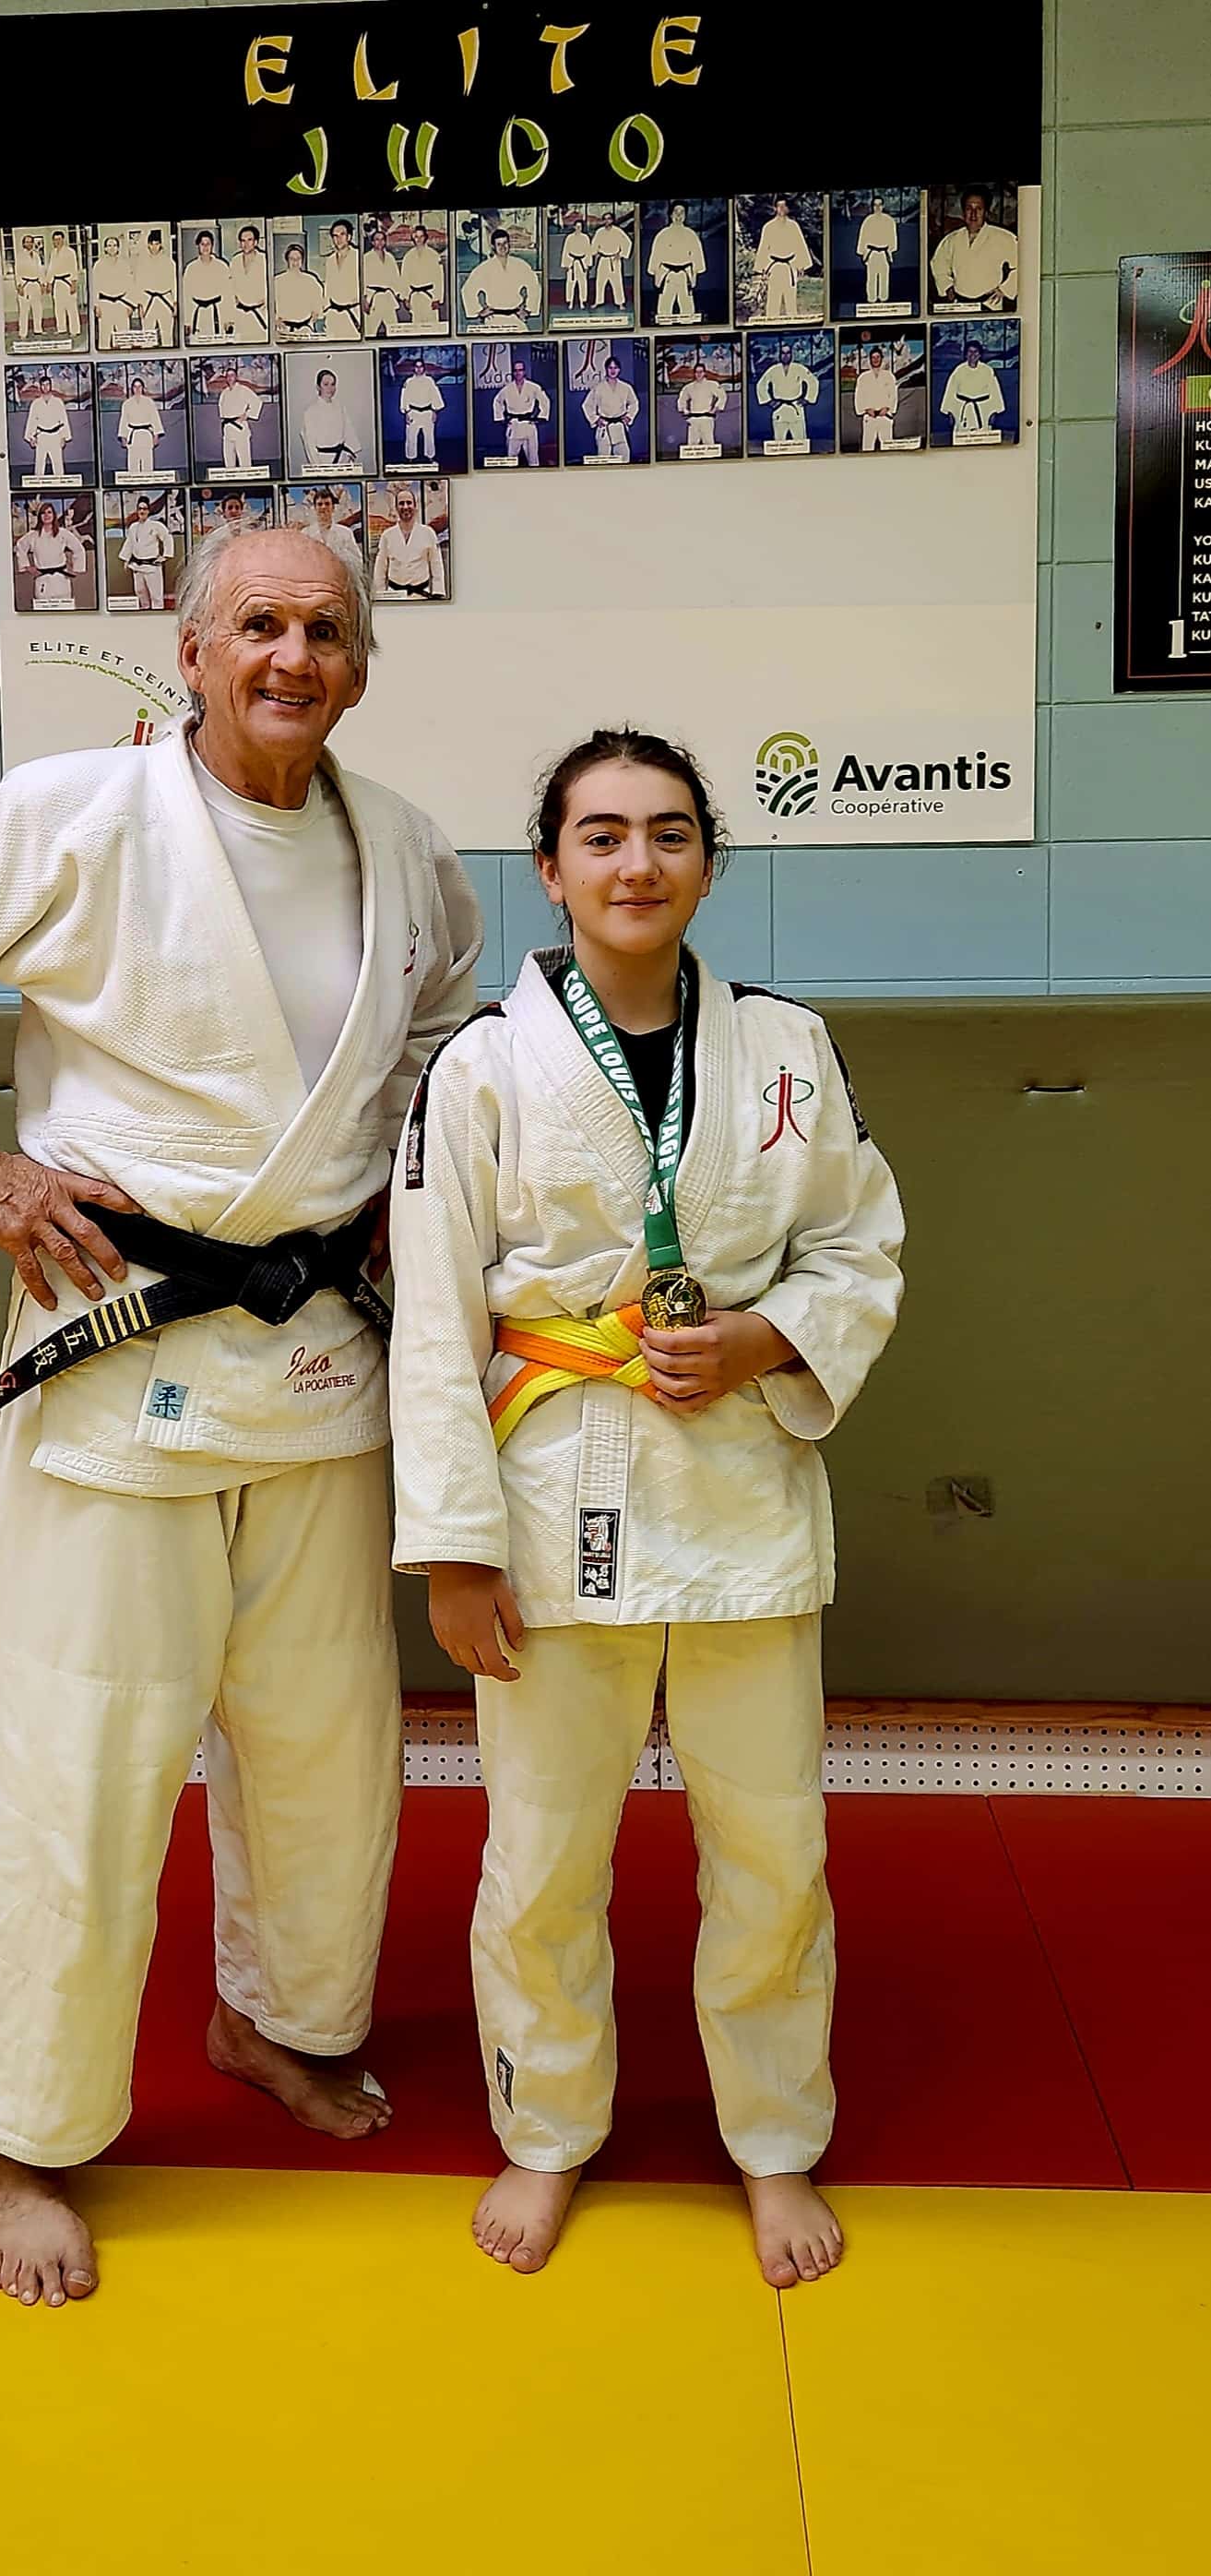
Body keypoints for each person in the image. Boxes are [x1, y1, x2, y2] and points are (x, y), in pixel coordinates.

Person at [0, 523, 481, 2309]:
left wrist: (411, 1187)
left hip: (319, 1365)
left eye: (324, 628)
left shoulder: (406, 848)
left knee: (327, 1749)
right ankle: (25, 2135)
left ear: (358, 663)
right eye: (256, 624)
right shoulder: (76, 816)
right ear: (190, 651)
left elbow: (441, 1037)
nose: (291, 656)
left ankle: (281, 2021)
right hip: (121, 1358)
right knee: (83, 1763)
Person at [387, 727, 904, 2282]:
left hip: (738, 1474)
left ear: (707, 863)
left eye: (668, 833)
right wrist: (453, 1550)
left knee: (773, 1845)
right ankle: (546, 2130)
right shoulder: (482, 1064)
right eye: (600, 836)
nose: (636, 862)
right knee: (542, 1851)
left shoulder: (788, 1049)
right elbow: (431, 1316)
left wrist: (763, 1337)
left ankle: (774, 2141)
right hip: (555, 1486)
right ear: (549, 871)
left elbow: (858, 1247)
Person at [931, 189, 1017, 310]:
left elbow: (1023, 265)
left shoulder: (1003, 237)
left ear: (986, 212)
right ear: (963, 212)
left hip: (990, 304)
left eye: (979, 209)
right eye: (969, 208)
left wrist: (1005, 290)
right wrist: (947, 286)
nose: (973, 214)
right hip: (959, 304)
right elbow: (938, 264)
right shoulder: (952, 239)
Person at [373, 482, 445, 599]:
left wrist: (438, 592)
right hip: (394, 594)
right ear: (396, 508)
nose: (405, 507)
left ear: (415, 506)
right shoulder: (387, 535)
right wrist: (380, 594)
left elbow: (436, 566)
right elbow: (380, 569)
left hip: (421, 594)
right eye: (401, 503)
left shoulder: (428, 533)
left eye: (409, 503)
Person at [754, 196, 815, 322]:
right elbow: (764, 247)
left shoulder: (793, 226)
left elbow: (799, 245)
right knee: (773, 301)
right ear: (775, 208)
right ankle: (771, 324)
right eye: (779, 206)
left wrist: (801, 265)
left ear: (787, 208)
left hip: (790, 266)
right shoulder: (768, 227)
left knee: (791, 301)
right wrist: (762, 268)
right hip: (774, 266)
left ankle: (792, 323)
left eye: (784, 206)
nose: (781, 208)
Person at [15, 501, 88, 608]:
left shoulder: (63, 533)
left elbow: (78, 549)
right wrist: (27, 567)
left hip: (61, 579)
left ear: (54, 515)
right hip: (43, 579)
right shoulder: (33, 535)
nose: (46, 515)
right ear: (40, 517)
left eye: (49, 512)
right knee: (43, 612)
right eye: (43, 513)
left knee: (65, 611)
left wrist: (76, 568)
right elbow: (20, 546)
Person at [465, 230, 542, 329]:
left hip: (516, 317)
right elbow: (468, 290)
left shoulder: (520, 265)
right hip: (493, 318)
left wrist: (528, 310)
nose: (503, 247)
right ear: (493, 246)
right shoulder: (484, 268)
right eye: (499, 244)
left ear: (509, 244)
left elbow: (534, 286)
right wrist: (479, 311)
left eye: (505, 243)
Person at [648, 203, 706, 324]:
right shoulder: (662, 234)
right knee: (664, 305)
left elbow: (697, 255)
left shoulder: (691, 234)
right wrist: (655, 272)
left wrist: (696, 271)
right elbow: (656, 255)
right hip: (667, 273)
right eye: (676, 212)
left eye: (682, 213)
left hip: (685, 273)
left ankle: (687, 328)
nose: (679, 216)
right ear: (670, 215)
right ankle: (664, 329)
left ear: (685, 216)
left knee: (687, 306)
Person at [492, 356, 552, 467]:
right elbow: (497, 401)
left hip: (528, 424)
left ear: (524, 372)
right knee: (511, 457)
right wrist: (500, 418)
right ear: (513, 373)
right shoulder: (507, 389)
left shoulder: (533, 387)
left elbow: (545, 400)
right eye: (515, 370)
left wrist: (541, 416)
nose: (518, 373)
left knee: (533, 458)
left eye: (520, 370)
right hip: (514, 425)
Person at [301, 367, 363, 473]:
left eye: (333, 384)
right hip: (322, 460)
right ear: (318, 387)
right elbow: (309, 443)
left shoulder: (340, 408)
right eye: (326, 384)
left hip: (343, 459)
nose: (330, 388)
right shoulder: (310, 411)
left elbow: (349, 432)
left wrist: (348, 455)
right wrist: (319, 468)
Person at [755, 340, 819, 445]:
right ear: (779, 355)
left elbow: (813, 381)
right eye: (783, 353)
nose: (785, 356)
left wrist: (807, 399)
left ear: (791, 355)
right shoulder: (773, 370)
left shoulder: (799, 368)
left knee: (800, 440)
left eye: (788, 353)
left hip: (796, 407)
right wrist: (769, 401)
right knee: (779, 441)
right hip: (780, 409)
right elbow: (761, 384)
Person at [117, 495, 174, 610]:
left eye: (144, 509)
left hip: (152, 566)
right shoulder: (133, 527)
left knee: (156, 595)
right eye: (140, 509)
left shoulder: (156, 526)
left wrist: (166, 556)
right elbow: (130, 543)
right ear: (137, 510)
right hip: (137, 566)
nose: (142, 511)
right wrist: (126, 559)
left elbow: (167, 537)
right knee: (140, 592)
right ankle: (144, 611)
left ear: (148, 511)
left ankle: (158, 614)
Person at [940, 340, 1006, 436]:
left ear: (980, 354)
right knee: (962, 435)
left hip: (983, 409)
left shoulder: (987, 370)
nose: (973, 355)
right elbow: (950, 391)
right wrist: (950, 412)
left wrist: (994, 412)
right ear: (966, 354)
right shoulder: (959, 370)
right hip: (962, 409)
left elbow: (995, 391)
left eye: (976, 352)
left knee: (983, 435)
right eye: (970, 352)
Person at [581, 353, 640, 462]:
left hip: (619, 426)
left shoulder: (626, 387)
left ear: (619, 370)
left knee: (624, 457)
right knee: (604, 458)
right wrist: (596, 419)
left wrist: (629, 416)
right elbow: (587, 405)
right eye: (610, 368)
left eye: (615, 368)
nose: (613, 371)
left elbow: (634, 403)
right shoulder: (598, 388)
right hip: (604, 426)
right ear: (606, 369)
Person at [214, 363, 267, 474]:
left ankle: (247, 478)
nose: (230, 378)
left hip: (239, 427)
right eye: (228, 376)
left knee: (244, 459)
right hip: (228, 429)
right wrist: (224, 421)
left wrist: (247, 414)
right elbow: (222, 411)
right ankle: (231, 478)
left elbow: (257, 402)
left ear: (236, 377)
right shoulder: (224, 393)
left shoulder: (243, 390)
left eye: (232, 375)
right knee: (229, 459)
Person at [183, 231, 232, 347]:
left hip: (217, 312)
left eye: (208, 244)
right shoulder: (191, 268)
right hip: (198, 313)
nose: (205, 247)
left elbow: (228, 293)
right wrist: (187, 321)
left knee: (218, 346)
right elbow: (186, 295)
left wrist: (228, 319)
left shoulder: (222, 266)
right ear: (198, 246)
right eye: (202, 244)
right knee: (198, 346)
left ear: (212, 245)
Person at [132, 228, 179, 345]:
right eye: (152, 244)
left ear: (161, 245)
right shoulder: (142, 263)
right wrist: (140, 305)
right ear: (148, 245)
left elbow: (174, 283)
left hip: (165, 300)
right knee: (148, 336)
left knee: (167, 336)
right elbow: (138, 285)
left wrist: (175, 302)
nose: (154, 247)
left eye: (157, 244)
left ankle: (169, 356)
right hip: (148, 301)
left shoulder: (169, 262)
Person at [23, 375, 73, 482]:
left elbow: (63, 419)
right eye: (43, 385)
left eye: (47, 384)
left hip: (56, 436)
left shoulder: (58, 402)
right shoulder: (36, 403)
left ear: (51, 386)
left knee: (58, 464)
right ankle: (38, 488)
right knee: (39, 464)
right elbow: (32, 421)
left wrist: (64, 437)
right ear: (40, 387)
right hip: (41, 436)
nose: (45, 387)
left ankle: (60, 486)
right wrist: (31, 437)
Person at [274, 239, 326, 340]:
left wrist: (314, 315)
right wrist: (275, 319)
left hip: (305, 329)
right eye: (292, 259)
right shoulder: (277, 281)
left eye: (298, 258)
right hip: (283, 330)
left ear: (302, 260)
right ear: (287, 260)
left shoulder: (310, 280)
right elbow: (268, 305)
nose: (295, 262)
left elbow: (319, 304)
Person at [228, 224, 270, 342]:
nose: (246, 244)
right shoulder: (235, 261)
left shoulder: (264, 260)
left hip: (260, 314)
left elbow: (271, 287)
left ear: (256, 242)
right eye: (243, 240)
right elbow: (230, 287)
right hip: (240, 315)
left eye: (249, 240)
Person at [399, 356, 445, 465]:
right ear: (414, 368)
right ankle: (410, 457)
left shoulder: (429, 381)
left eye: (421, 367)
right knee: (411, 437)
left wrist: (435, 411)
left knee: (429, 436)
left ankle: (430, 456)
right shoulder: (409, 382)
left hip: (427, 412)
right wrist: (406, 412)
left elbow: (435, 396)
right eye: (417, 366)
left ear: (424, 368)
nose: (419, 369)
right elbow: (404, 397)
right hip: (413, 412)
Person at [91, 231, 134, 347]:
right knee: (105, 337)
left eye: (114, 245)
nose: (112, 248)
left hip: (122, 303)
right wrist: (96, 306)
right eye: (109, 245)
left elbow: (130, 285)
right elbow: (95, 286)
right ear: (105, 248)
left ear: (118, 248)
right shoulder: (99, 265)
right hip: (105, 304)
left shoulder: (125, 265)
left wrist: (130, 304)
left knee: (124, 337)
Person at [117, 376, 165, 480]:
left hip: (146, 435)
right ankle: (134, 485)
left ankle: (148, 483)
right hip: (133, 435)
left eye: (139, 387)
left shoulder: (149, 402)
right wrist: (123, 437)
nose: (137, 389)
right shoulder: (127, 404)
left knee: (147, 462)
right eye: (135, 387)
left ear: (143, 388)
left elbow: (155, 419)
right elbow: (124, 421)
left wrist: (156, 435)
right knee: (133, 463)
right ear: (132, 389)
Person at [853, 342, 899, 449]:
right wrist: (866, 409)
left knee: (887, 446)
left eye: (878, 357)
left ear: (882, 359)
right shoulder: (863, 378)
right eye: (873, 357)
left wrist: (887, 408)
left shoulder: (889, 376)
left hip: (885, 415)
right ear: (870, 360)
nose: (875, 360)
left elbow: (893, 395)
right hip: (870, 416)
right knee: (868, 446)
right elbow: (859, 396)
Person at [304, 485, 364, 567]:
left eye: (327, 504)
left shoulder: (346, 533)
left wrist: (340, 556)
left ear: (333, 508)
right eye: (320, 504)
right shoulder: (306, 534)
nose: (323, 507)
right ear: (315, 508)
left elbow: (358, 563)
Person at [322, 220, 363, 340]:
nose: (338, 239)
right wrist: (326, 310)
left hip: (353, 312)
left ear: (349, 237)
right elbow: (328, 287)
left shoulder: (359, 256)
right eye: (335, 236)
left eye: (342, 234)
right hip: (333, 314)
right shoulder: (330, 260)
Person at [364, 222, 406, 339]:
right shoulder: (366, 258)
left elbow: (395, 278)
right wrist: (363, 299)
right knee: (370, 331)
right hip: (373, 298)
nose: (380, 242)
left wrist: (400, 294)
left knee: (394, 329)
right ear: (373, 242)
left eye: (382, 239)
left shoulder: (390, 258)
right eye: (377, 240)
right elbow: (361, 280)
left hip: (388, 297)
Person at [676, 358, 726, 454]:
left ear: (704, 373)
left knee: (709, 443)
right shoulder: (689, 387)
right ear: (694, 373)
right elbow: (682, 399)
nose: (699, 374)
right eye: (697, 372)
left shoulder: (712, 385)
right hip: (694, 418)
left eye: (701, 372)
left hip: (707, 418)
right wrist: (685, 409)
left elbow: (722, 396)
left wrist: (715, 409)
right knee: (692, 445)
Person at [400, 222, 446, 328]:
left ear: (425, 237)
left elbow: (439, 278)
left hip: (430, 295)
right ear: (413, 238)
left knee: (432, 326)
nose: (419, 239)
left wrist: (437, 299)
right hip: (415, 296)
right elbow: (404, 278)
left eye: (421, 236)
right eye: (416, 236)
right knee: (416, 325)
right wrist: (406, 298)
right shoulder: (408, 256)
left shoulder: (433, 255)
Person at [856, 196, 898, 306]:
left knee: (884, 277)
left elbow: (893, 237)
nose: (878, 207)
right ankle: (871, 299)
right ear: (872, 207)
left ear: (883, 206)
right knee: (871, 277)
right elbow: (863, 237)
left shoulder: (889, 221)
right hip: (872, 252)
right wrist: (863, 252)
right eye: (875, 205)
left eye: (880, 205)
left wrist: (891, 250)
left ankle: (884, 298)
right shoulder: (868, 221)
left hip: (884, 252)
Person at [590, 212, 635, 313]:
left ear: (612, 220)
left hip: (614, 260)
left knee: (617, 281)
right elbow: (594, 245)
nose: (607, 221)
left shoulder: (618, 231)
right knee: (600, 282)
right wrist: (595, 253)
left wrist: (621, 254)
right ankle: (598, 301)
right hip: (603, 259)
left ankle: (620, 303)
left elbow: (627, 243)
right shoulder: (599, 232)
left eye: (609, 219)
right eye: (605, 219)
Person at [44, 232, 82, 339]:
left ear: (63, 240)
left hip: (67, 281)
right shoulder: (53, 253)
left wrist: (73, 283)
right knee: (58, 307)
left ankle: (75, 330)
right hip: (57, 282)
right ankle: (61, 328)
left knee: (71, 307)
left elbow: (74, 268)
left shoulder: (70, 252)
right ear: (53, 241)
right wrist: (49, 283)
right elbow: (51, 269)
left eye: (59, 239)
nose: (57, 242)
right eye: (55, 240)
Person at [14, 233, 45, 340]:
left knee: (38, 308)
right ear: (23, 244)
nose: (29, 244)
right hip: (25, 284)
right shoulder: (20, 256)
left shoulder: (36, 255)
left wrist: (42, 284)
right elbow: (17, 272)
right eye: (27, 242)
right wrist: (19, 286)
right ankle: (23, 333)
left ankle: (38, 330)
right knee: (24, 310)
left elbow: (40, 270)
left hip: (36, 284)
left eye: (31, 242)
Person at [560, 216, 593, 311]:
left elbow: (588, 251)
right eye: (577, 227)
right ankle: (570, 302)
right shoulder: (569, 238)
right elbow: (566, 251)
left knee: (583, 283)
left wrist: (588, 264)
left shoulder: (585, 238)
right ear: (574, 227)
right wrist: (566, 264)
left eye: (580, 227)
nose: (578, 228)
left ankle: (582, 301)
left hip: (582, 262)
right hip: (572, 262)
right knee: (571, 283)